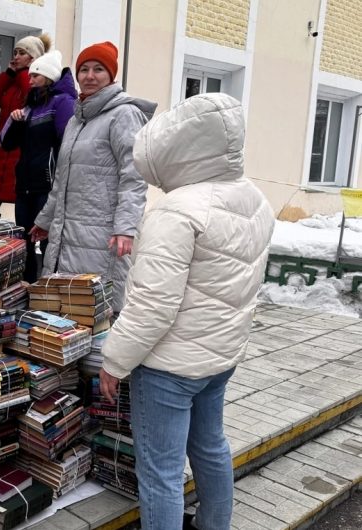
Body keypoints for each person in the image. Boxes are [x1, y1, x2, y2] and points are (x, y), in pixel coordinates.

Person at [99, 93, 276, 530]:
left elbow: (153, 306)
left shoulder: (177, 212)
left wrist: (115, 361)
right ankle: (214, 524)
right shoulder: (255, 199)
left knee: (160, 471)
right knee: (210, 445)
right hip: (220, 357)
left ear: (181, 148)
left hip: (169, 369)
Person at [29, 41, 155, 312]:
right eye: (84, 69)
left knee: (95, 308)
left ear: (111, 76)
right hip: (67, 230)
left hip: (102, 236)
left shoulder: (124, 115)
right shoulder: (77, 120)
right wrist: (46, 221)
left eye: (99, 69)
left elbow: (134, 176)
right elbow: (62, 179)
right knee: (65, 309)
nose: (89, 75)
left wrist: (126, 228)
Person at [0, 49, 76, 283]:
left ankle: (49, 289)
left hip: (47, 186)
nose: (29, 80)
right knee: (24, 240)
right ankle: (26, 287)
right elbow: (6, 143)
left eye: (35, 76)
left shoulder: (62, 102)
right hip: (25, 185)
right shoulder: (30, 107)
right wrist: (14, 121)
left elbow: (68, 143)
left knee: (47, 241)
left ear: (48, 77)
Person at [0, 34, 50, 218]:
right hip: (1, 151)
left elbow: (31, 94)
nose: (16, 57)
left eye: (22, 53)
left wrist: (26, 72)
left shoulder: (33, 82)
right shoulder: (12, 83)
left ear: (33, 58)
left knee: (22, 214)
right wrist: (8, 74)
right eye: (15, 52)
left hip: (20, 153)